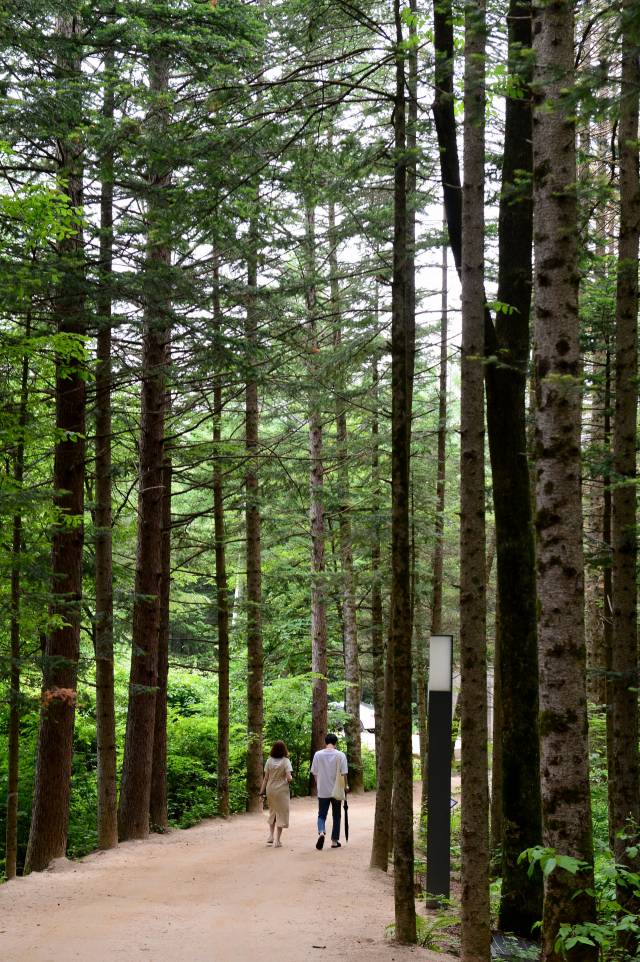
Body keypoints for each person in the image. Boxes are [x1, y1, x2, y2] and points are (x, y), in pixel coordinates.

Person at [310, 733, 348, 849]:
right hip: (337, 789)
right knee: (337, 815)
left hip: (323, 790)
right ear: (335, 743)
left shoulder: (318, 754)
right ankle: (334, 841)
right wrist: (346, 786)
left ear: (325, 742)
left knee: (321, 814)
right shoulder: (341, 755)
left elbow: (314, 772)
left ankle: (321, 832)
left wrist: (319, 784)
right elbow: (344, 773)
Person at [259, 740, 293, 848]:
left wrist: (261, 792)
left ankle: (270, 836)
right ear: (284, 750)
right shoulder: (286, 761)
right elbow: (289, 777)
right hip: (281, 790)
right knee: (281, 813)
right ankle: (278, 840)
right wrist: (290, 779)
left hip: (270, 789)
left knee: (272, 811)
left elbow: (265, 778)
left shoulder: (269, 761)